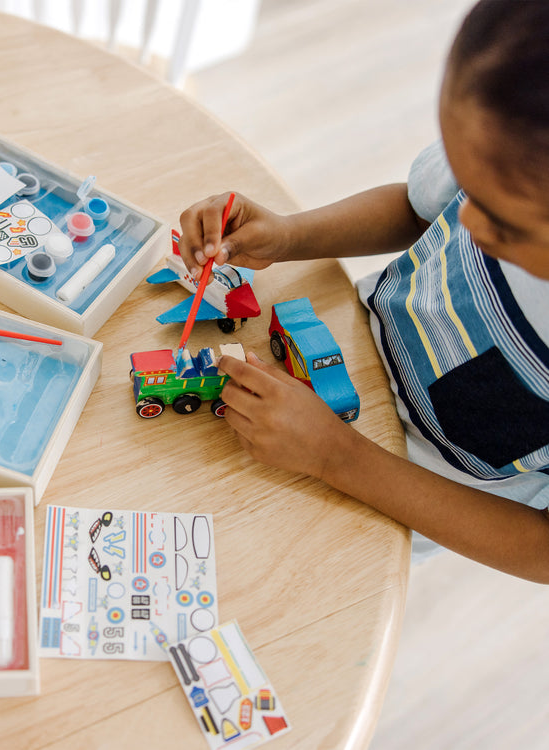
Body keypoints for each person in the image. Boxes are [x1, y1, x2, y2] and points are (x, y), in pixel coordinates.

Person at [177, 0, 549, 583]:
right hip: (346, 356)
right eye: (465, 184)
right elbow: (415, 206)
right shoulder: (512, 137)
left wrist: (335, 457)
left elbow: (540, 551)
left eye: (504, 222)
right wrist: (291, 234)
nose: (468, 222)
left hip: (396, 494)